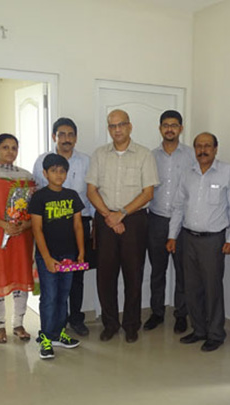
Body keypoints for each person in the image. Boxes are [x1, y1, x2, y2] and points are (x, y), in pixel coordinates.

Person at [86, 109, 159, 343]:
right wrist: (110, 216)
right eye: (112, 125)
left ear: (129, 126)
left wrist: (122, 214)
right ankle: (110, 323)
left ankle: (131, 325)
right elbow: (91, 190)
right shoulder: (99, 155)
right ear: (109, 129)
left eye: (121, 125)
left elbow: (148, 193)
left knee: (133, 275)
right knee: (105, 276)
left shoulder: (144, 155)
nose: (117, 129)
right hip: (105, 219)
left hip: (135, 221)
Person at [167, 132, 230, 352]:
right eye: (198, 146)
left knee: (212, 289)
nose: (202, 150)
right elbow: (178, 206)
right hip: (188, 238)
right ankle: (198, 330)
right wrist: (172, 235)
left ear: (216, 149)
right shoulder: (188, 173)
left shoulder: (227, 172)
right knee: (191, 288)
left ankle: (216, 333)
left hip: (213, 240)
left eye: (207, 146)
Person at [33, 118, 94, 337]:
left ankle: (74, 319)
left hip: (79, 224)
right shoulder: (42, 161)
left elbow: (92, 191)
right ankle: (49, 331)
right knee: (50, 287)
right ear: (54, 137)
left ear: (75, 137)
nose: (66, 139)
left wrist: (94, 224)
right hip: (49, 229)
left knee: (75, 278)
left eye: (70, 134)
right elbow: (36, 193)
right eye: (61, 134)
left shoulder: (87, 161)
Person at [0, 134, 36, 344]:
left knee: (21, 276)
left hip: (21, 236)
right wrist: (4, 225)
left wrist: (23, 225)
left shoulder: (27, 177)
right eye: (5, 147)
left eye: (13, 148)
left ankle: (18, 323)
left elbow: (33, 208)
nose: (10, 151)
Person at [29, 153, 85, 359]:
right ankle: (45, 336)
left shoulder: (72, 195)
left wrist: (81, 251)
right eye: (54, 171)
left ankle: (59, 333)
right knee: (50, 297)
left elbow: (78, 225)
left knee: (63, 295)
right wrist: (46, 258)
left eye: (62, 171)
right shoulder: (39, 197)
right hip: (48, 257)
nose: (58, 174)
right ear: (45, 173)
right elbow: (37, 230)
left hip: (69, 254)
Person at [144, 110, 195, 334]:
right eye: (165, 125)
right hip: (156, 219)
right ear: (160, 128)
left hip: (183, 222)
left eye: (174, 125)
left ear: (181, 129)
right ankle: (157, 312)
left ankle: (181, 314)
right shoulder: (150, 156)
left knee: (183, 271)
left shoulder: (192, 156)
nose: (170, 129)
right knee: (157, 270)